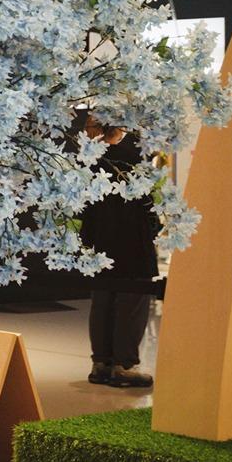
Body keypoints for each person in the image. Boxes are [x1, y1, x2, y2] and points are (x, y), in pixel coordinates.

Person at [77, 111, 161, 388]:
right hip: (132, 240)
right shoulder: (135, 154)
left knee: (102, 299)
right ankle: (124, 366)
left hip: (99, 239)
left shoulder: (89, 157)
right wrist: (154, 225)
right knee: (132, 300)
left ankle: (101, 363)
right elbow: (146, 200)